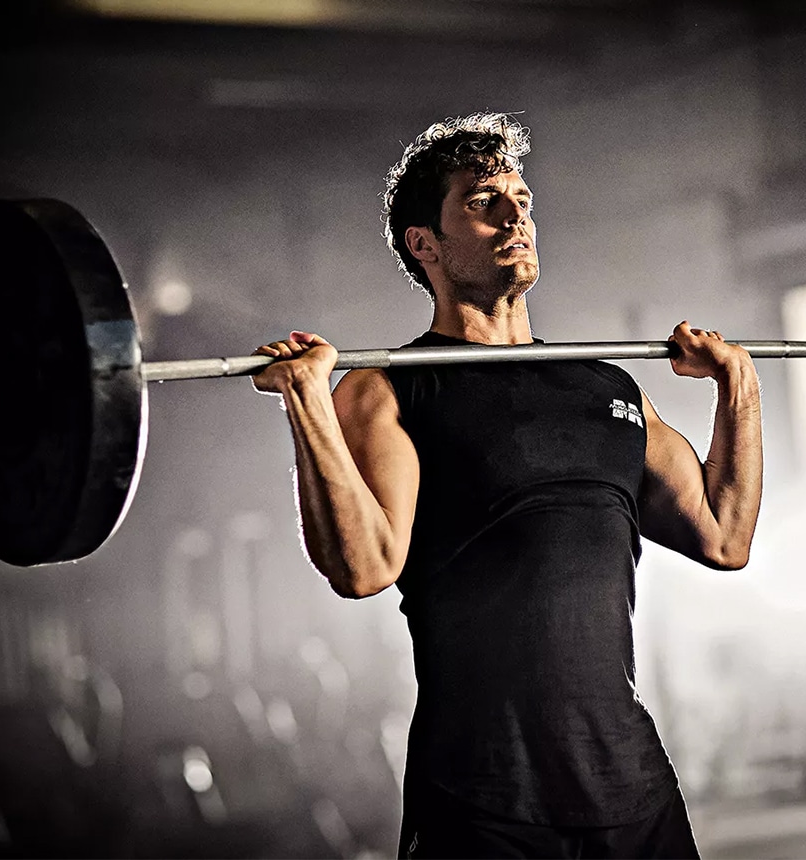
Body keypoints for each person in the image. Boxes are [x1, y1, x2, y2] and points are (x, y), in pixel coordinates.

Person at [251, 111, 763, 858]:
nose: (514, 213)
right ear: (424, 244)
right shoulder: (392, 390)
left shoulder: (606, 386)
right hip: (484, 809)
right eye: (482, 200)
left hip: (633, 794)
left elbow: (726, 537)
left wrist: (737, 387)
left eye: (520, 197)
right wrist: (308, 399)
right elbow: (363, 567)